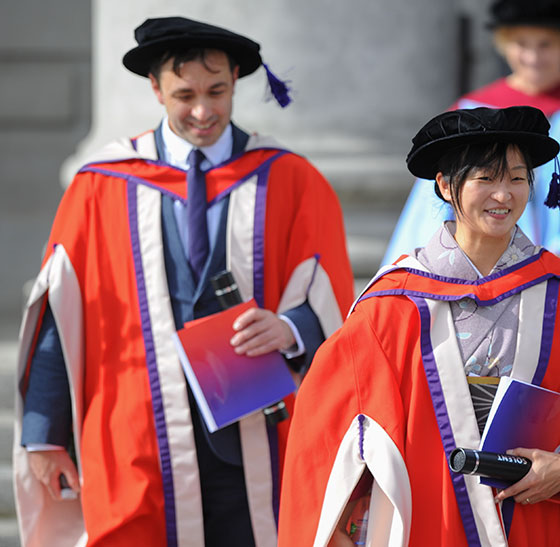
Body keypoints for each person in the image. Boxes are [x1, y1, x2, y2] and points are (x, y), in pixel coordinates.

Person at [13, 16, 354, 546]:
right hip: (138, 427)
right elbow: (62, 314)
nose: (203, 111)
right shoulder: (100, 186)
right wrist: (44, 435)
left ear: (237, 80)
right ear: (155, 88)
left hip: (259, 434)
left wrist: (291, 328)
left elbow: (333, 297)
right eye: (184, 94)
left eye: (217, 91)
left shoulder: (290, 178)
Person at [278, 106, 560, 546]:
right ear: (446, 185)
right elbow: (332, 433)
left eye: (517, 179)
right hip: (431, 518)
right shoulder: (392, 306)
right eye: (486, 178)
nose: (503, 195)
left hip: (535, 515)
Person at [382, 0, 560, 388]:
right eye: (521, 43)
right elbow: (429, 215)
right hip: (477, 283)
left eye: (546, 43)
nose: (533, 56)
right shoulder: (470, 113)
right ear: (504, 44)